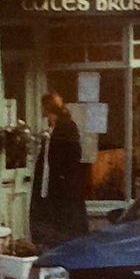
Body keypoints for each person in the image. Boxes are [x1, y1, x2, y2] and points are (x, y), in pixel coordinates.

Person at [29, 93, 88, 250]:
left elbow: (74, 155)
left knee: (65, 222)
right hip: (48, 185)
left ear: (48, 108)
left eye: (42, 106)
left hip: (63, 186)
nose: (40, 109)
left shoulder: (67, 126)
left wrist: (63, 177)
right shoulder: (51, 128)